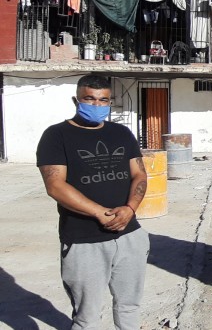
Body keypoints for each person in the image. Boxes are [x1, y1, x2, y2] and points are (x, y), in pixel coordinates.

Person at [36, 74, 150, 329]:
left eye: (103, 100)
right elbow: (55, 185)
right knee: (87, 317)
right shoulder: (56, 136)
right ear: (76, 100)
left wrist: (130, 208)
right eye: (90, 99)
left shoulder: (121, 133)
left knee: (130, 307)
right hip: (83, 241)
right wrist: (100, 213)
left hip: (130, 235)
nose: (97, 106)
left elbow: (139, 173)